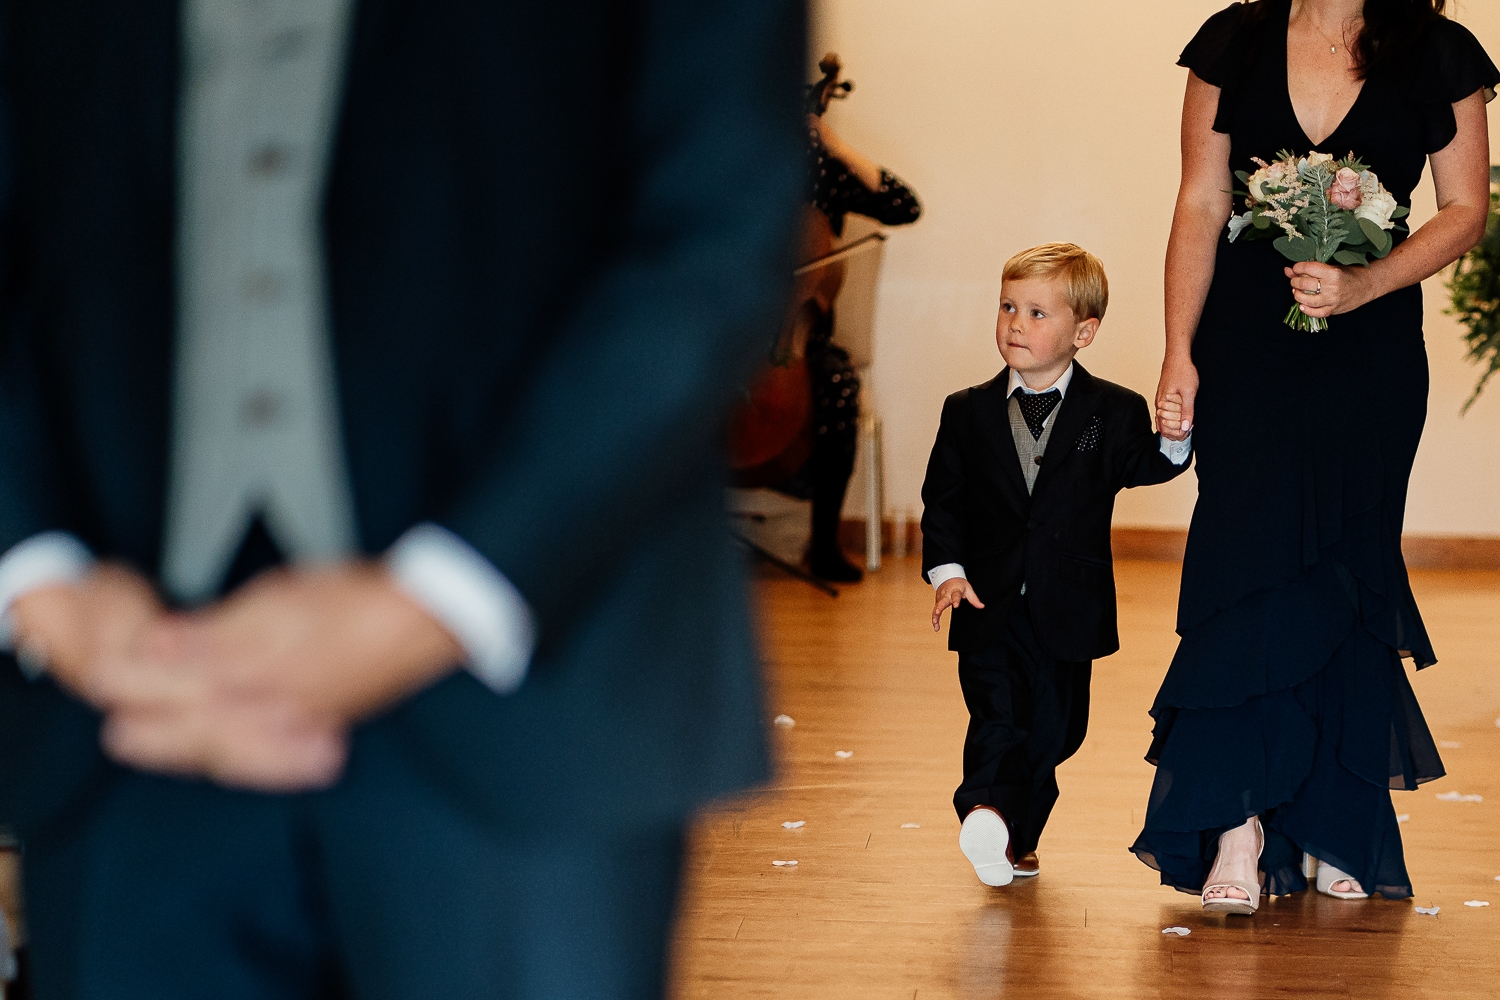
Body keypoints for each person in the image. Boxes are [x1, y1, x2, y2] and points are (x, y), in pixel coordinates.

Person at [0, 2, 805, 998]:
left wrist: (445, 592)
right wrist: (37, 574)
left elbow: (717, 222)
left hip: (540, 703)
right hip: (123, 699)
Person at [1135, 0, 1496, 915]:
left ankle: (1340, 815)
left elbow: (1465, 210)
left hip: (1370, 351)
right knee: (1242, 561)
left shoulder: (1441, 49)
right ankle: (1234, 821)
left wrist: (1366, 282)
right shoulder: (1233, 39)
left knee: (1347, 564)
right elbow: (1201, 199)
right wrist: (1178, 350)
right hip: (1247, 341)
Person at [921, 244, 1192, 886]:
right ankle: (984, 809)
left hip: (1070, 604)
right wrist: (947, 571)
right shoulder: (966, 410)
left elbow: (1147, 466)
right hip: (986, 603)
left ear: (1084, 332)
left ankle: (1014, 836)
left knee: (1055, 731)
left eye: (1037, 312)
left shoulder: (1113, 410)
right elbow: (943, 501)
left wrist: (1175, 435)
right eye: (1008, 306)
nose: (1016, 323)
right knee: (996, 716)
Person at [788, 113, 921, 583]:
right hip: (728, 332)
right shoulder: (734, 165)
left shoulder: (825, 174)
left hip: (799, 338)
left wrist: (837, 148)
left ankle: (822, 544)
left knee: (839, 386)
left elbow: (905, 206)